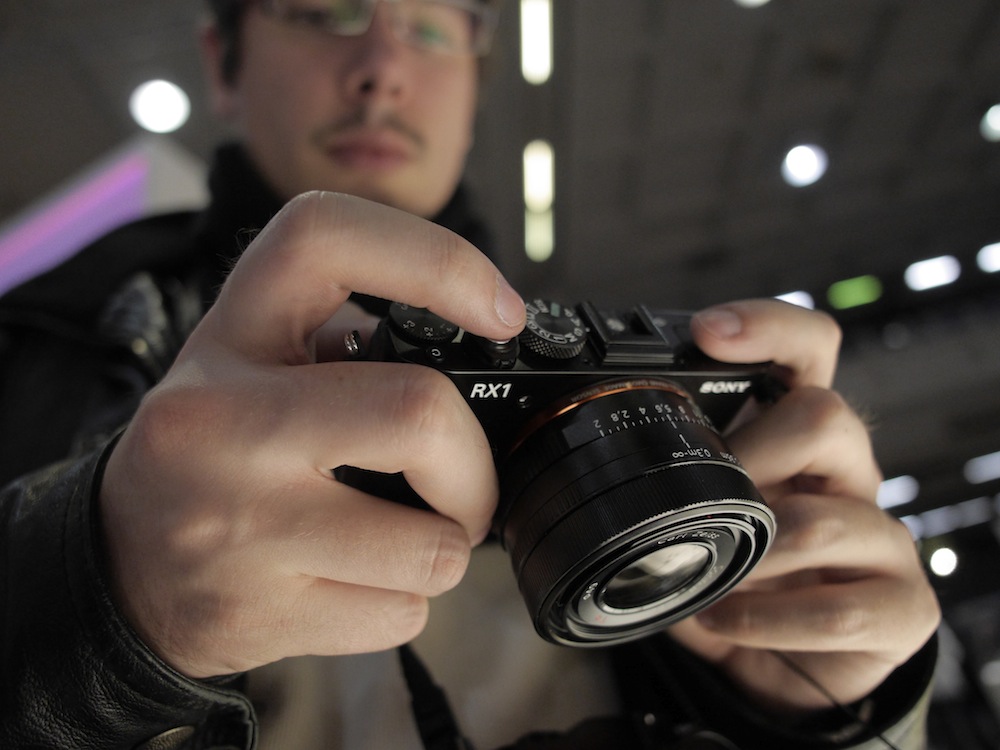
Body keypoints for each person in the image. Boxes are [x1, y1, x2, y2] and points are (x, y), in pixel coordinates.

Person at [0, 1, 941, 748]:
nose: (381, 67)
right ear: (223, 62)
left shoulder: (597, 378)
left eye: (434, 26)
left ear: (475, 83)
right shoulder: (36, 342)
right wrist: (87, 606)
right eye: (321, 11)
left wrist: (809, 714)